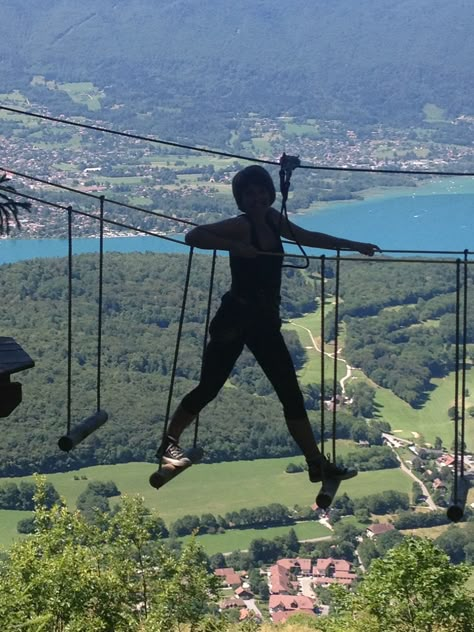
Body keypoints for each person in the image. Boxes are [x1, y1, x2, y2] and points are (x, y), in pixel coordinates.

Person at [156, 165, 380, 483]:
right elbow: (193, 236)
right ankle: (168, 444)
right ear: (241, 199)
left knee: (290, 394)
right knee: (209, 387)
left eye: (262, 191)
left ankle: (316, 463)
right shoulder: (240, 226)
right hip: (236, 319)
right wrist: (234, 246)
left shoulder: (274, 220)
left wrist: (353, 245)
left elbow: (307, 237)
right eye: (250, 193)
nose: (258, 198)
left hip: (261, 322)